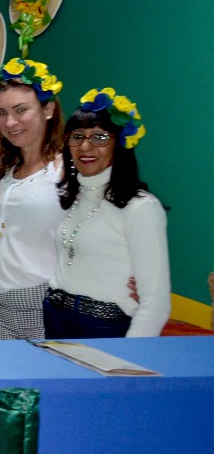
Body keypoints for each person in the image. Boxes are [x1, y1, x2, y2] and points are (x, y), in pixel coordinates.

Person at [44, 88, 169, 337]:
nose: (85, 146)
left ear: (119, 145)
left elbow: (156, 305)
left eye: (100, 138)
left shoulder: (141, 207)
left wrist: (130, 356)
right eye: (77, 137)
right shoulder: (73, 197)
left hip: (103, 328)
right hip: (55, 318)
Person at [0, 59, 65, 340]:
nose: (10, 122)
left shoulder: (66, 171)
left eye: (21, 110)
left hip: (44, 303)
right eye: (2, 113)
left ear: (48, 110)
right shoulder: (8, 172)